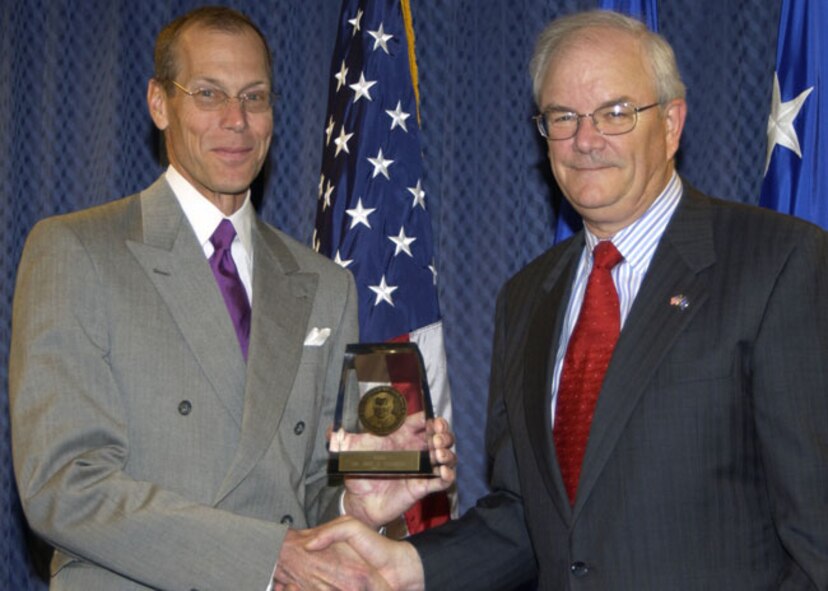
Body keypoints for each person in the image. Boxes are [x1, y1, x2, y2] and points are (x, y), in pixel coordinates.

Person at [300, 9, 828, 590]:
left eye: (616, 113)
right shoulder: (526, 298)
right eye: (563, 116)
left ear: (672, 124)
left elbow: (816, 525)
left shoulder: (777, 263)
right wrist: (408, 566)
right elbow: (531, 517)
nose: (585, 140)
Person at [9, 6, 454, 590]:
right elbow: (63, 487)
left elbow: (307, 492)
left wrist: (360, 506)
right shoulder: (77, 249)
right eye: (208, 95)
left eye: (254, 97)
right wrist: (265, 558)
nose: (236, 121)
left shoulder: (323, 284)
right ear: (159, 103)